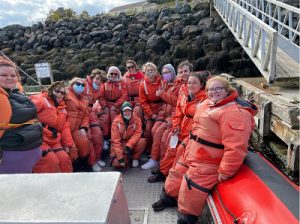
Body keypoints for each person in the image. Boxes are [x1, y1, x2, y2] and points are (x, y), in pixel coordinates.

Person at [152, 76, 258, 224]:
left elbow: (236, 147)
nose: (214, 92)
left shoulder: (235, 113)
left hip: (208, 160)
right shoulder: (207, 103)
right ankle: (167, 198)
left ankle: (186, 218)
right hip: (191, 150)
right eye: (211, 89)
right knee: (175, 174)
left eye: (218, 88)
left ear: (228, 90)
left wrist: (225, 172)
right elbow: (196, 126)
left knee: (192, 188)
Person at [148, 72, 208, 182]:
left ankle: (171, 179)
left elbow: (204, 121)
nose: (191, 85)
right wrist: (176, 126)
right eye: (189, 83)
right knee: (171, 149)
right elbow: (178, 112)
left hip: (192, 134)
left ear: (202, 85)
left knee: (179, 155)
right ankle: (162, 172)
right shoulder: (185, 96)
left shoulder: (205, 99)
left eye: (194, 83)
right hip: (181, 129)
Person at [0, 57, 42, 173]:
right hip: (11, 158)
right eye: (3, 75)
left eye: (13, 76)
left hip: (27, 154)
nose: (9, 78)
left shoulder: (17, 93)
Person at [30, 81, 74, 173]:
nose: (59, 94)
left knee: (64, 159)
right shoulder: (41, 99)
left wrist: (68, 144)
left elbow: (65, 127)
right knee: (51, 161)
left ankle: (67, 184)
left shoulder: (63, 109)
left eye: (62, 93)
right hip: (39, 138)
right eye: (57, 91)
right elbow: (27, 112)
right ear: (51, 90)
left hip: (54, 139)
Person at [141, 64, 178, 170]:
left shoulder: (175, 85)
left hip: (171, 114)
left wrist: (162, 94)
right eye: (164, 73)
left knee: (158, 133)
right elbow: (143, 102)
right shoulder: (165, 83)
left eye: (168, 72)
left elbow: (176, 102)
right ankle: (154, 157)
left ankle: (155, 159)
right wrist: (154, 114)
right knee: (152, 130)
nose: (166, 75)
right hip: (163, 113)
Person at [64, 77, 92, 172]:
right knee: (73, 150)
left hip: (77, 128)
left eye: (83, 85)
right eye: (78, 84)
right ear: (72, 84)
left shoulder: (83, 99)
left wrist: (84, 127)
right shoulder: (65, 93)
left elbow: (86, 116)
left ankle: (83, 165)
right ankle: (75, 170)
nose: (80, 86)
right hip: (66, 128)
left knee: (84, 144)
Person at [83, 69, 107, 172]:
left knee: (98, 134)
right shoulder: (83, 84)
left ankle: (97, 158)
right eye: (97, 79)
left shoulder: (98, 89)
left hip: (91, 111)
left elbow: (100, 98)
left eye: (100, 80)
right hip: (81, 112)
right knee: (88, 137)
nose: (98, 82)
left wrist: (105, 107)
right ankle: (92, 162)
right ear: (92, 77)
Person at [99, 66, 128, 148]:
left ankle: (115, 138)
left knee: (114, 118)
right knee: (104, 118)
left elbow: (124, 97)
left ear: (118, 74)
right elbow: (101, 97)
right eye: (111, 73)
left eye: (116, 74)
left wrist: (115, 106)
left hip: (117, 106)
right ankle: (105, 138)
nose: (113, 75)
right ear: (109, 74)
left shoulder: (122, 84)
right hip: (106, 105)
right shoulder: (104, 84)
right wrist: (104, 106)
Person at [110, 101, 146, 168]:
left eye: (129, 111)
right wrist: (120, 158)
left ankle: (135, 158)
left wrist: (129, 145)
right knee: (116, 163)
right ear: (122, 112)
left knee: (142, 142)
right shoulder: (116, 122)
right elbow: (115, 141)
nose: (127, 113)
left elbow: (138, 133)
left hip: (132, 142)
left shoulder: (137, 120)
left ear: (132, 111)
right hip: (121, 142)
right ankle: (126, 158)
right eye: (125, 111)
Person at [138, 62, 164, 155]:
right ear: (144, 72)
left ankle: (158, 151)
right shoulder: (142, 85)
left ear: (155, 71)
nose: (150, 72)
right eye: (148, 71)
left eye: (152, 70)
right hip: (150, 109)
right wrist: (151, 114)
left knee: (156, 130)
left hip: (161, 109)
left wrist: (161, 111)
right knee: (148, 130)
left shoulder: (162, 82)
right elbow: (143, 102)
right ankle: (148, 149)